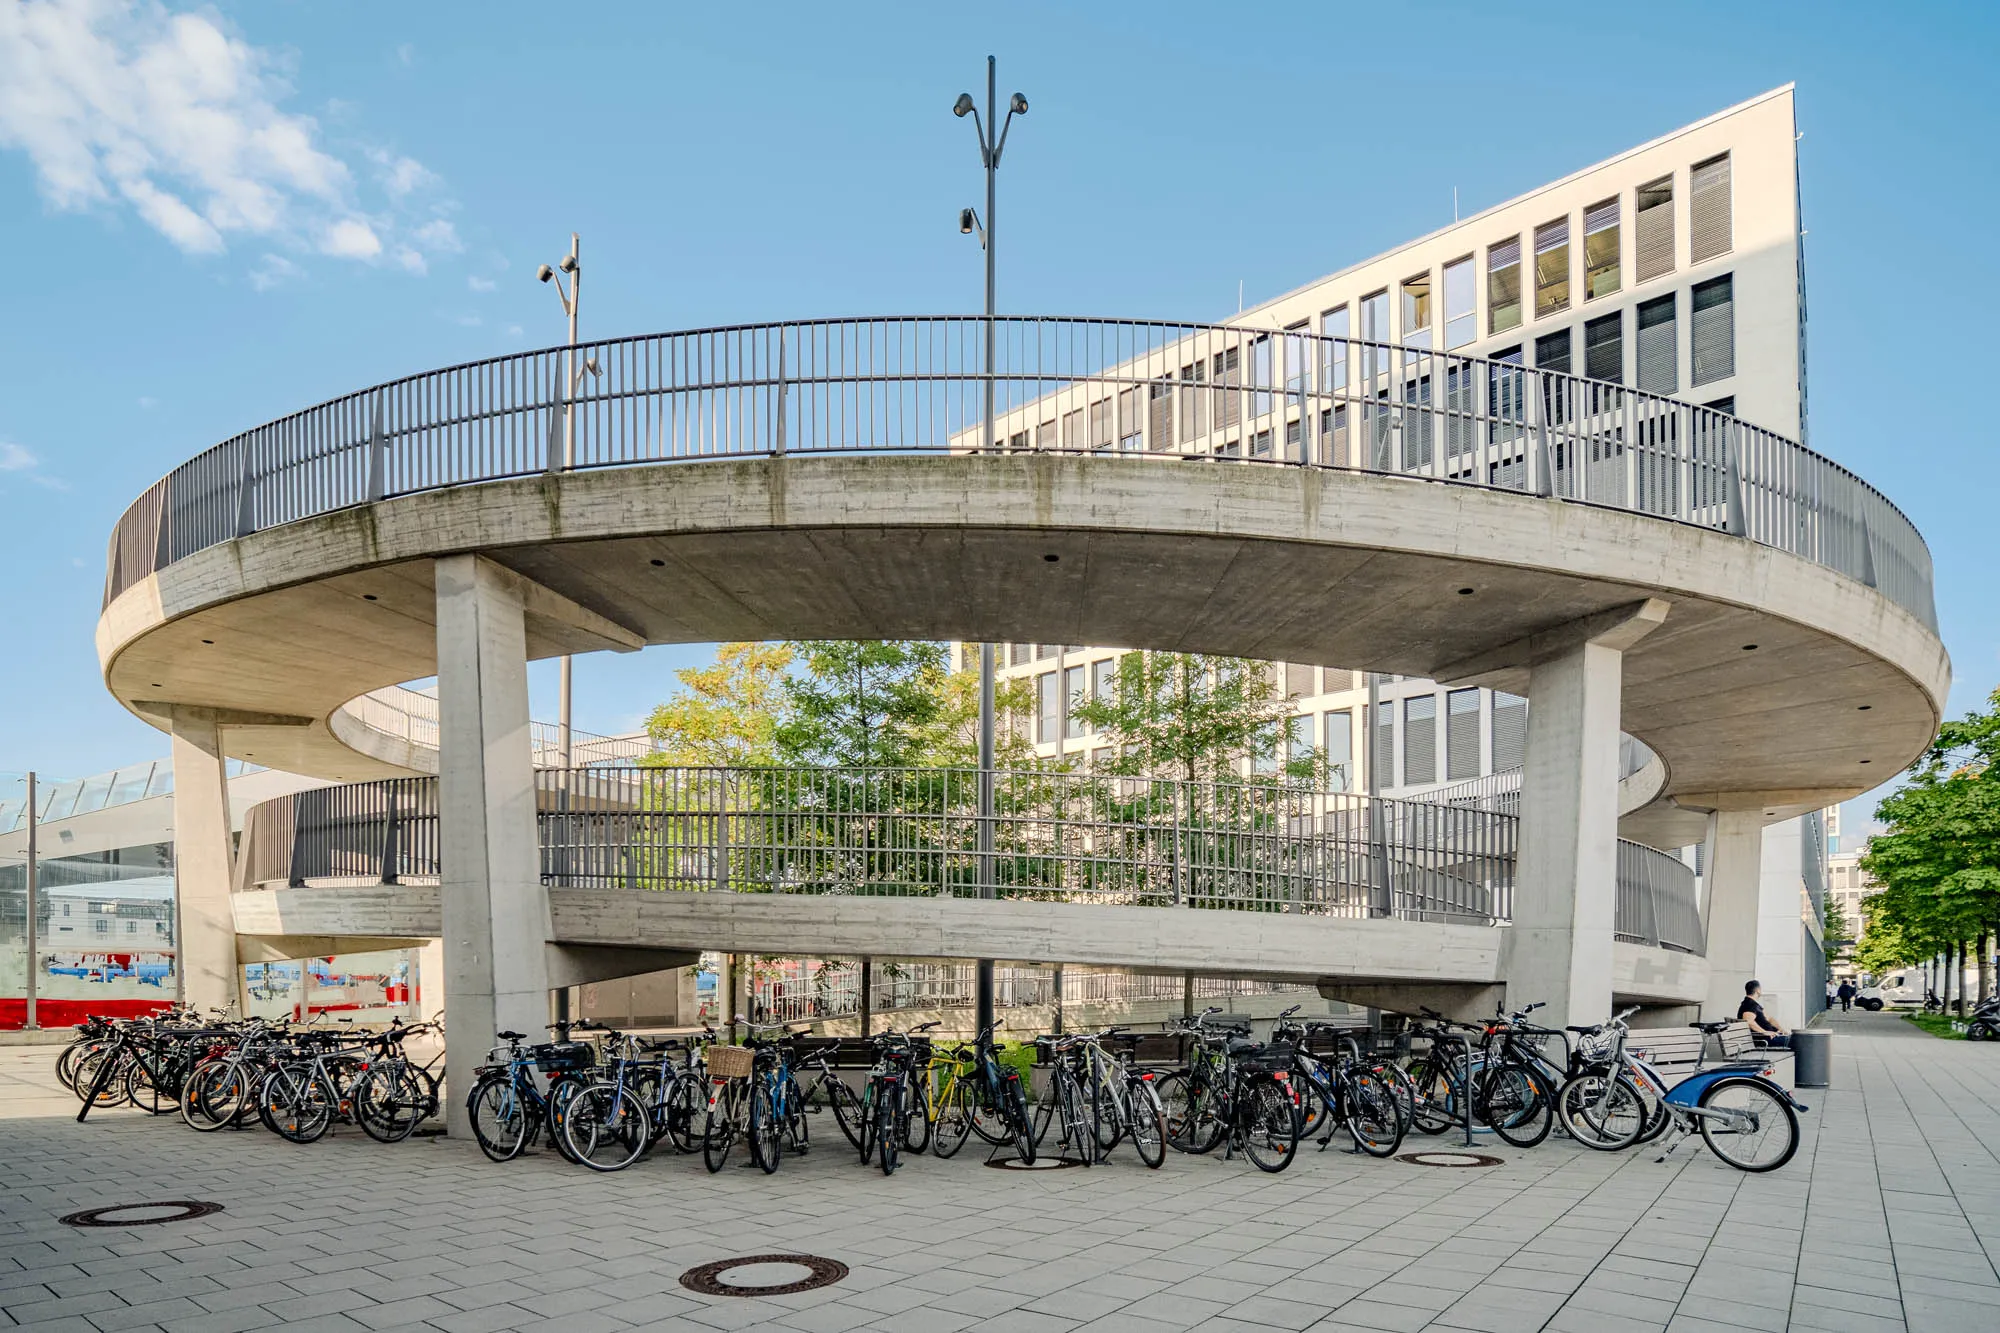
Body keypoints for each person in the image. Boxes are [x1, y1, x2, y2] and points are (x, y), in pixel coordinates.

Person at [1738, 980, 1791, 1048]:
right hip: (1765, 1040)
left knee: (1797, 1039)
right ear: (1758, 990)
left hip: (1771, 1037)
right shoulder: (1749, 1005)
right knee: (1797, 1040)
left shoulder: (1754, 1005)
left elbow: (1769, 1018)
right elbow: (1748, 1021)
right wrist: (1765, 1032)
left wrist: (1781, 1029)